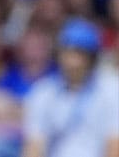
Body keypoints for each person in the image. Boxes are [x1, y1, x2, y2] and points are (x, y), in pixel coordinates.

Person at [21, 18, 119, 157]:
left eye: (79, 53)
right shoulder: (43, 92)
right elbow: (34, 147)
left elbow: (114, 146)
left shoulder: (111, 90)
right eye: (67, 52)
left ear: (92, 58)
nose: (71, 61)